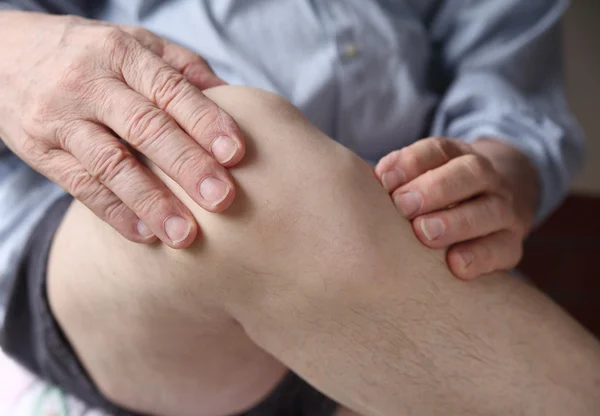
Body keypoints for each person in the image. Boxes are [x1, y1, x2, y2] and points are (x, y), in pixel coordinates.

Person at [0, 1, 594, 415]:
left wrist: (493, 180)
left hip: (408, 256)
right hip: (104, 236)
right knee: (234, 170)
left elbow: (507, 93)